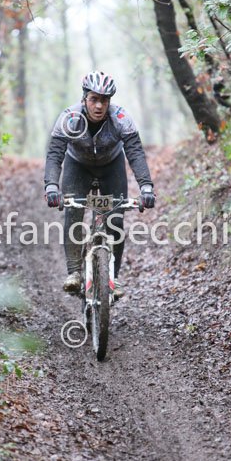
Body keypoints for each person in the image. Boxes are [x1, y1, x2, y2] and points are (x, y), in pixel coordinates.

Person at [44, 71, 155, 298]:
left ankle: (113, 277)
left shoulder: (121, 118)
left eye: (104, 100)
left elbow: (135, 153)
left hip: (111, 166)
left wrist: (146, 187)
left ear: (109, 102)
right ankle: (74, 272)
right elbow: (55, 154)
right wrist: (51, 186)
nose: (99, 106)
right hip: (78, 166)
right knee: (74, 214)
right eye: (94, 99)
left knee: (116, 221)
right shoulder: (70, 118)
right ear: (84, 98)